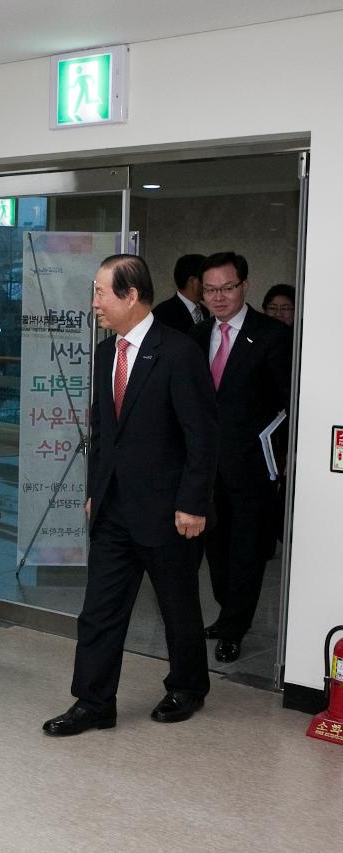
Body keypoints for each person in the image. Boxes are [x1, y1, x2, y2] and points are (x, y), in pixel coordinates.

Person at [43, 254, 216, 737]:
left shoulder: (179, 352)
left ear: (131, 295)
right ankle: (93, 702)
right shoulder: (105, 353)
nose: (93, 302)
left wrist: (193, 503)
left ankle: (188, 685)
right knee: (99, 610)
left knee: (178, 606)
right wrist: (96, 491)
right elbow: (104, 432)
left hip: (168, 509)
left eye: (101, 292)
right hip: (114, 508)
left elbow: (202, 436)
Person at [190, 252, 293, 664]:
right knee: (215, 549)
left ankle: (235, 627)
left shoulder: (270, 334)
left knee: (247, 550)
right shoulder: (198, 335)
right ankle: (227, 612)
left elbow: (288, 401)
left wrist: (280, 456)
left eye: (226, 288)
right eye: (210, 289)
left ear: (244, 286)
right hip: (207, 468)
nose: (218, 297)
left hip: (253, 465)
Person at [152, 253, 209, 333]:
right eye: (206, 278)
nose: (210, 284)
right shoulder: (163, 313)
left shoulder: (204, 310)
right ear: (193, 281)